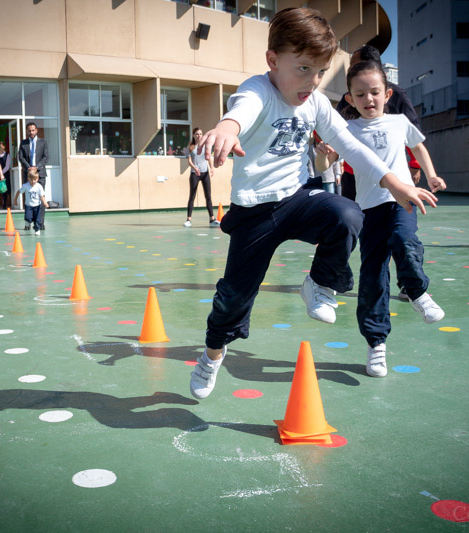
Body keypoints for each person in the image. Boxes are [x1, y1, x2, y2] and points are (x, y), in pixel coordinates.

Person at [188, 7, 438, 399]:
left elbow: (351, 145)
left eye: (320, 71)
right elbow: (240, 112)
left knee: (346, 214)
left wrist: (396, 183)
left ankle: (319, 283)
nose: (312, 81)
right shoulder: (259, 90)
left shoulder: (316, 103)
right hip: (255, 212)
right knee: (233, 298)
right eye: (303, 69)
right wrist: (225, 127)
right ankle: (212, 355)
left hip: (296, 199)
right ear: (273, 61)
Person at [318, 60, 447, 378]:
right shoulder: (347, 130)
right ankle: (376, 345)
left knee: (405, 240)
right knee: (373, 279)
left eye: (375, 92)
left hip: (401, 201)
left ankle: (416, 291)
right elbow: (326, 163)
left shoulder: (400, 122)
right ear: (349, 99)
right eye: (360, 94)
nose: (368, 99)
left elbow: (418, 148)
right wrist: (322, 151)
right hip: (368, 211)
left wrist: (430, 176)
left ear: (387, 93)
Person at [336, 44, 423, 202]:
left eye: (353, 65)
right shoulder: (347, 98)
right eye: (360, 95)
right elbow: (335, 131)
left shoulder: (397, 94)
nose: (350, 70)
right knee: (353, 217)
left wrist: (415, 164)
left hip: (390, 172)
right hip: (353, 173)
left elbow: (412, 129)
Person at [183, 127, 218, 227]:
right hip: (195, 174)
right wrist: (195, 168)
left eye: (201, 134)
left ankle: (212, 219)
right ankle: (188, 219)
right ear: (194, 135)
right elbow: (189, 161)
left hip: (205, 173)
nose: (199, 136)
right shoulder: (191, 147)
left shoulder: (206, 146)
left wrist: (211, 168)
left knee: (208, 196)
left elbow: (209, 158)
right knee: (192, 196)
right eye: (197, 134)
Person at [18, 122, 49, 230]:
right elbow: (20, 157)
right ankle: (28, 222)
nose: (31, 132)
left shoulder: (43, 142)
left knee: (40, 198)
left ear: (36, 130)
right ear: (27, 131)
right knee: (29, 199)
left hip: (40, 175)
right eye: (29, 130)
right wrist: (29, 168)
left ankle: (40, 223)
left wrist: (36, 167)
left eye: (33, 130)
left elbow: (46, 157)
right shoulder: (23, 143)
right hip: (27, 174)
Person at [14, 168, 49, 235]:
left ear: (37, 179)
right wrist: (15, 200)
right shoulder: (26, 186)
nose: (33, 181)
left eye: (34, 180)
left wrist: (44, 202)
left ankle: (37, 229)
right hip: (28, 206)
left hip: (37, 205)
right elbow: (19, 191)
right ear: (28, 179)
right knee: (28, 218)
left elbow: (42, 196)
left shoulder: (39, 187)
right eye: (31, 180)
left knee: (37, 219)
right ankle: (28, 222)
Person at [0, 142, 12, 210]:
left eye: (0, 146)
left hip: (4, 175)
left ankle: (5, 204)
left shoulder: (7, 155)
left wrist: (1, 173)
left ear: (4, 147)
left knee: (4, 190)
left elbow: (7, 166)